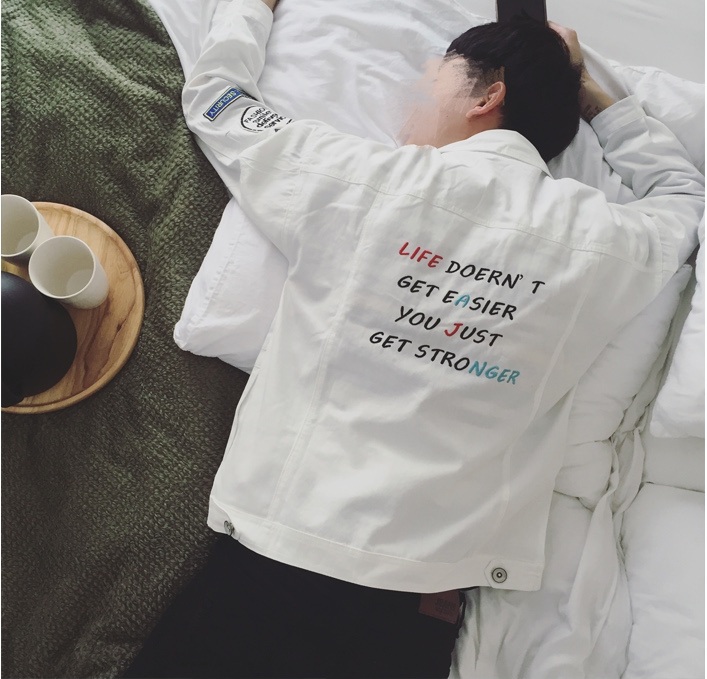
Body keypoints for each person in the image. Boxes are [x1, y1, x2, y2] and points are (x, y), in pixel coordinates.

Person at [124, 0, 704, 677]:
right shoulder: (602, 239)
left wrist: (252, 7)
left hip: (285, 556)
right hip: (423, 602)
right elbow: (683, 198)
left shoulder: (366, 179)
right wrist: (597, 101)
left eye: (431, 79)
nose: (410, 104)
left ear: (487, 96)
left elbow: (219, 103)